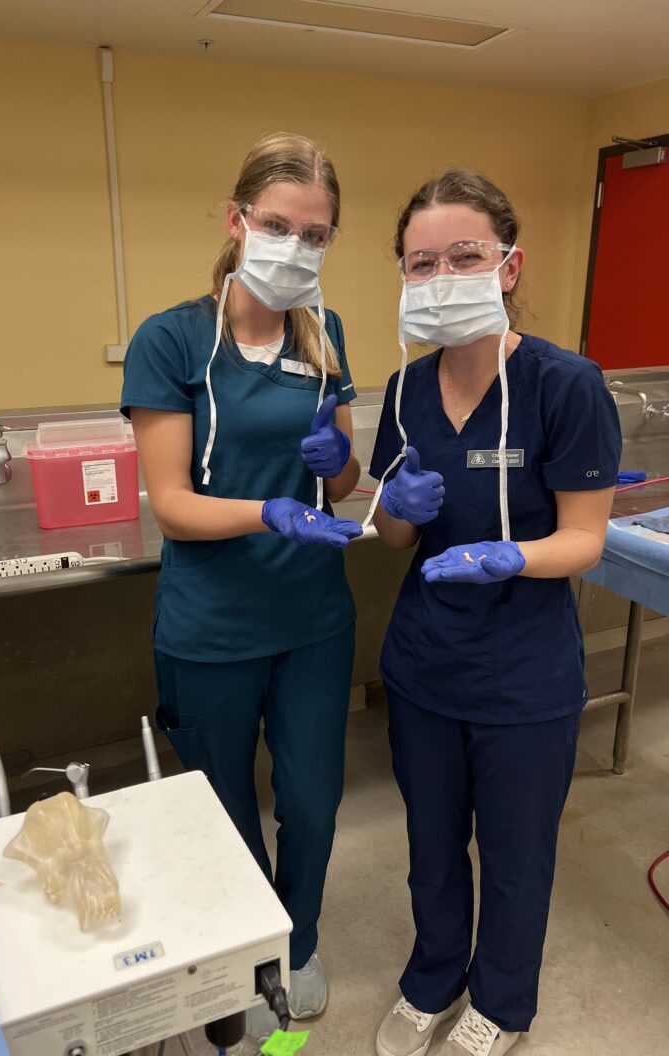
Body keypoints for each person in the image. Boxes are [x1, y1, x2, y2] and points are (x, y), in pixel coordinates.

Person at [370, 170, 622, 1056]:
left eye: (464, 256)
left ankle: (504, 1003)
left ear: (508, 265)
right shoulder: (402, 394)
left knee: (516, 857)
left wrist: (515, 553)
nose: (442, 276)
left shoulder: (567, 384)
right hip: (424, 665)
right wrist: (394, 501)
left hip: (525, 673)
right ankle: (433, 977)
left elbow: (586, 537)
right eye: (421, 262)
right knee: (432, 843)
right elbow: (395, 538)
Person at [120, 132, 363, 1039]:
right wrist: (266, 513)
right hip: (212, 624)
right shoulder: (172, 339)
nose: (297, 248)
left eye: (318, 235)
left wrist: (344, 464)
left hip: (312, 618)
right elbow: (174, 506)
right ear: (236, 221)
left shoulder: (325, 333)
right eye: (278, 225)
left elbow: (341, 484)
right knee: (221, 808)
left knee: (309, 799)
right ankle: (238, 956)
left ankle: (294, 943)